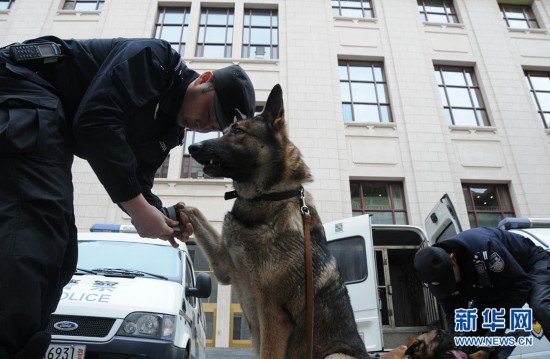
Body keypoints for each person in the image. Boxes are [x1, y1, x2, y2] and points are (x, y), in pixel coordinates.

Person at [0, 36, 255, 359]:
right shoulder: (155, 61)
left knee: (61, 253)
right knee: (35, 229)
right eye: (208, 112)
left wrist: (166, 217)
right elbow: (95, 124)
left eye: (213, 127)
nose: (203, 125)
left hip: (50, 117)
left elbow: (137, 182)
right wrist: (138, 210)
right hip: (20, 85)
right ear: (204, 80)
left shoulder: (169, 131)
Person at [414, 227, 550, 358]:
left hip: (530, 266)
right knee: (469, 336)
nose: (451, 286)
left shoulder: (484, 247)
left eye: (450, 280)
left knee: (540, 305)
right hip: (492, 288)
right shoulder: (435, 277)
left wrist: (496, 329)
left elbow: (520, 285)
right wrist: (458, 342)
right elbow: (454, 316)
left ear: (453, 258)